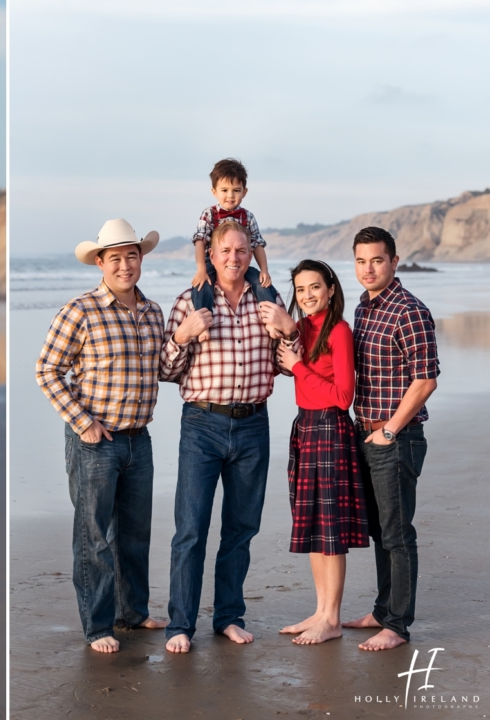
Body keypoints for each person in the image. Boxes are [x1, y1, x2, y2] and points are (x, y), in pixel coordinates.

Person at [160, 219, 294, 653]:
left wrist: (289, 329)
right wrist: (182, 335)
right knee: (191, 529)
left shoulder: (269, 301)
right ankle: (180, 624)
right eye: (226, 251)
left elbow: (290, 365)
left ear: (250, 253)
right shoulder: (190, 301)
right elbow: (165, 369)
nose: (234, 258)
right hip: (202, 425)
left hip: (254, 423)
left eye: (241, 250)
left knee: (241, 528)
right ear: (211, 256)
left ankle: (228, 617)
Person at [35, 218, 167, 654]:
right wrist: (83, 422)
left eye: (132, 256)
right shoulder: (81, 310)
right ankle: (98, 626)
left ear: (140, 259)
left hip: (139, 439)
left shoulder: (152, 312)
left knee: (134, 534)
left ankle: (133, 612)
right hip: (95, 441)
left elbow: (162, 370)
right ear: (100, 262)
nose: (125, 265)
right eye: (116, 258)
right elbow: (47, 370)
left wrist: (183, 339)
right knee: (93, 536)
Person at [341, 226, 439, 651]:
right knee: (383, 531)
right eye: (361, 260)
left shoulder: (409, 311)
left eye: (377, 260)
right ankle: (383, 611)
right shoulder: (364, 308)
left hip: (396, 437)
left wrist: (389, 430)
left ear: (394, 262)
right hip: (369, 435)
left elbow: (425, 379)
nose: (368, 268)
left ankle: (398, 626)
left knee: (398, 533)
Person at [271, 259, 369, 645]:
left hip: (330, 426)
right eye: (300, 289)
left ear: (330, 288)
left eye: (315, 287)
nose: (308, 295)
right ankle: (319, 610)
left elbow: (344, 396)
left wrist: (298, 367)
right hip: (305, 426)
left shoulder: (339, 331)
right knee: (312, 524)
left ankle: (332, 618)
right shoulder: (299, 330)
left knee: (329, 528)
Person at [190, 158, 276, 341]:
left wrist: (264, 270)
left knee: (263, 285)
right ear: (214, 192)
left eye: (236, 191)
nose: (230, 195)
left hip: (241, 265)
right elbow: (200, 241)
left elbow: (257, 244)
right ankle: (202, 324)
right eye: (224, 190)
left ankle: (270, 320)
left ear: (244, 192)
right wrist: (201, 269)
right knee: (202, 286)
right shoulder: (210, 214)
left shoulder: (248, 216)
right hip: (213, 264)